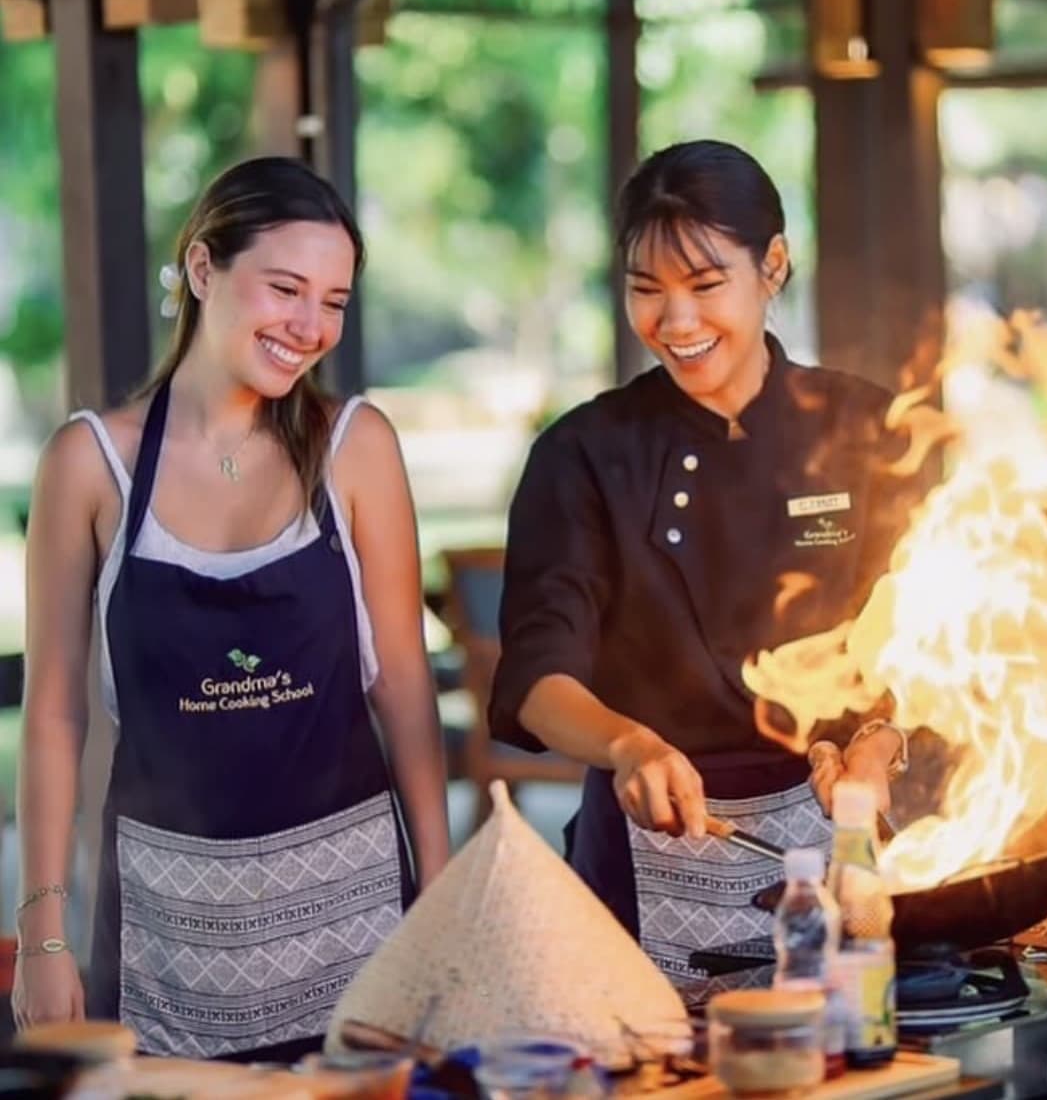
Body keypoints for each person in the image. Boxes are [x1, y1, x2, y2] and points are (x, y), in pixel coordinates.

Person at [13, 157, 450, 1059]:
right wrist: (44, 931)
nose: (310, 326)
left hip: (356, 915)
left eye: (332, 301)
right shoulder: (89, 464)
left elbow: (402, 684)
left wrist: (440, 894)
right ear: (204, 269)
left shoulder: (355, 447)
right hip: (171, 936)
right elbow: (53, 714)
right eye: (285, 288)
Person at [489, 139, 917, 992]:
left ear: (773, 266)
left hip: (844, 843)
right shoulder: (584, 453)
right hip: (650, 845)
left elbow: (933, 641)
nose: (675, 324)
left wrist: (880, 743)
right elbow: (537, 674)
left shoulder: (870, 431)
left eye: (704, 285)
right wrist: (627, 743)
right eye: (647, 292)